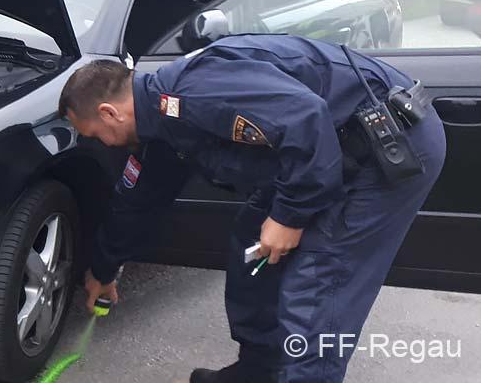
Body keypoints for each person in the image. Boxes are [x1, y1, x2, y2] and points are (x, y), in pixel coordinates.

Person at [59, 35, 445, 383]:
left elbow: (306, 117)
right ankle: (259, 372)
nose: (104, 144)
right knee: (252, 245)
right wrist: (103, 270)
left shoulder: (196, 91)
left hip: (386, 146)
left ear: (109, 113)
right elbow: (140, 199)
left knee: (318, 287)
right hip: (323, 157)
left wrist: (289, 216)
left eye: (96, 135)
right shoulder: (162, 120)